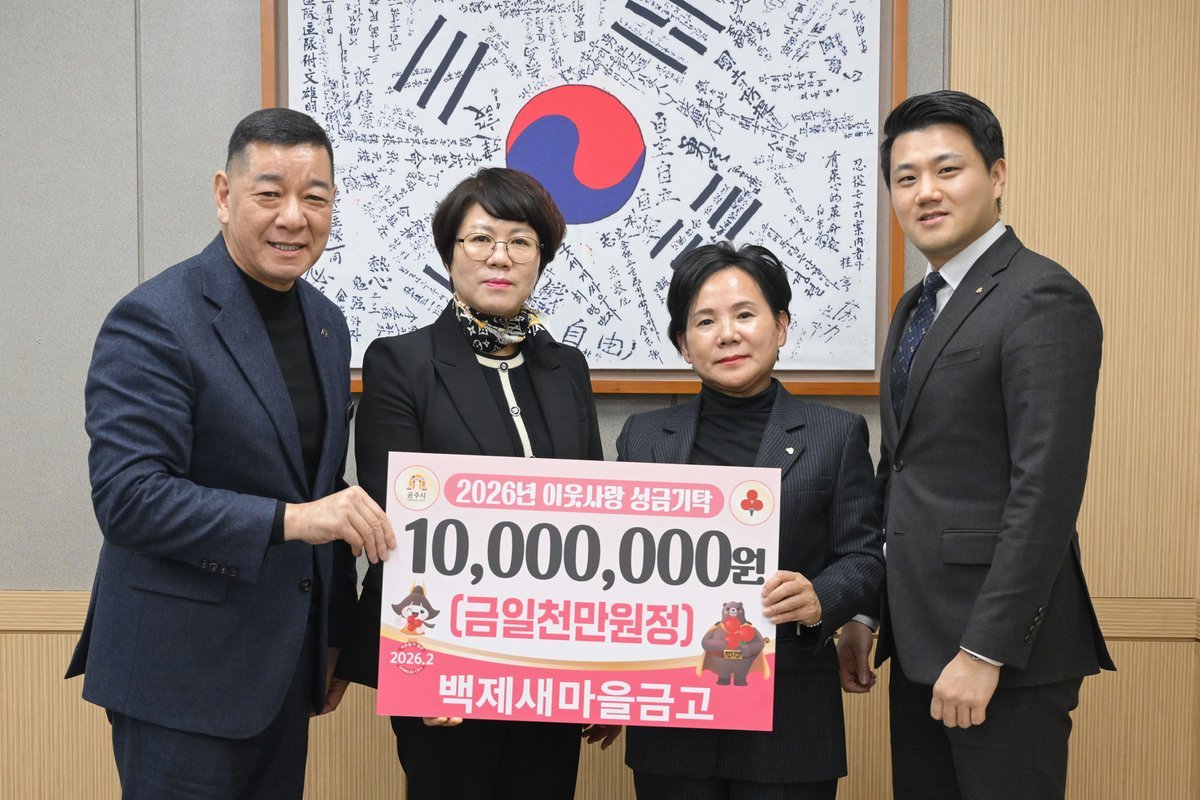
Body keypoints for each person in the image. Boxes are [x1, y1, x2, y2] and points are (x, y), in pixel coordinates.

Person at [66, 107, 396, 798]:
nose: (293, 218)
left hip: (285, 673)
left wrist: (334, 632)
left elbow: (322, 485)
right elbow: (129, 498)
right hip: (179, 677)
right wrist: (292, 520)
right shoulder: (156, 317)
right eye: (269, 193)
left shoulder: (327, 323)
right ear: (224, 194)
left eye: (314, 198)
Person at [837, 90, 1115, 800]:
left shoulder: (1042, 297)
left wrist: (984, 651)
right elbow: (900, 473)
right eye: (906, 177)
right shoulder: (918, 305)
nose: (925, 192)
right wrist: (867, 609)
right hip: (919, 642)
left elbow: (1045, 491)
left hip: (999, 655)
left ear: (997, 175)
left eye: (947, 169)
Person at [335, 167, 604, 800]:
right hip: (446, 659)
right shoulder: (401, 362)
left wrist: (599, 671)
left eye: (521, 241)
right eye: (480, 239)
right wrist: (427, 670)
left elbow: (596, 520)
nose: (499, 257)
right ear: (450, 252)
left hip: (552, 662)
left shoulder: (565, 366)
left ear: (541, 257)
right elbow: (399, 526)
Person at [616, 242, 885, 800]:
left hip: (788, 719)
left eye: (745, 314)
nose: (727, 334)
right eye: (705, 322)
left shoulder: (835, 434)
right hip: (672, 716)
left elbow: (862, 556)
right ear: (683, 344)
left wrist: (820, 597)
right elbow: (616, 568)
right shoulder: (642, 438)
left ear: (780, 326)